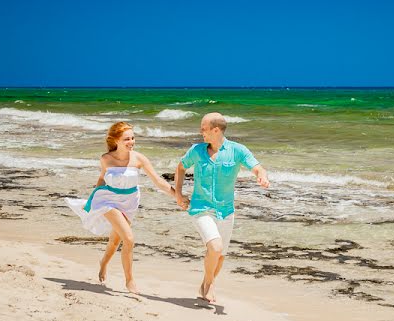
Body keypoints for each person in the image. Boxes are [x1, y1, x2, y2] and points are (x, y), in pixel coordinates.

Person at [66, 121, 176, 293]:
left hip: (130, 202)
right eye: (127, 139)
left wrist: (177, 196)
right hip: (108, 200)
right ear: (116, 140)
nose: (131, 142)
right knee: (129, 239)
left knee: (116, 240)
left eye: (133, 138)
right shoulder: (106, 159)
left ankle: (103, 263)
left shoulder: (139, 158)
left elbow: (158, 181)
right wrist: (92, 199)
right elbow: (102, 179)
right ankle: (129, 280)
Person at [174, 112, 269, 303]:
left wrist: (262, 176)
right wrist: (178, 193)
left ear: (215, 130)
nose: (201, 132)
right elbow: (181, 167)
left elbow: (257, 167)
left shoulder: (237, 150)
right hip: (201, 208)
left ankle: (206, 283)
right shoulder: (197, 151)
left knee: (220, 256)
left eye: (204, 129)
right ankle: (209, 286)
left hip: (226, 211)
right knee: (215, 247)